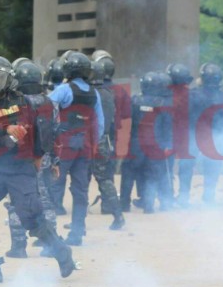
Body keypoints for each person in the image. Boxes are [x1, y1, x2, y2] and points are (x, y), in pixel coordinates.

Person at [0, 55, 75, 283]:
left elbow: (40, 130)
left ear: (8, 80)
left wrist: (39, 155)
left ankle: (62, 253)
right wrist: (5, 127)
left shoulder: (23, 103)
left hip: (21, 168)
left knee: (32, 218)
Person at [3, 60, 60, 259]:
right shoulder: (51, 103)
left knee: (15, 202)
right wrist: (55, 161)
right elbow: (55, 133)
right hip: (42, 158)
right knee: (45, 199)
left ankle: (18, 247)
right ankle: (51, 245)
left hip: (18, 161)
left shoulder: (13, 103)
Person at [49, 51, 104, 246]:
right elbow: (100, 124)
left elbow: (47, 113)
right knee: (80, 190)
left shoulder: (63, 90)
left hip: (64, 146)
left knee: (53, 187)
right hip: (85, 147)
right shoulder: (94, 92)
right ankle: (77, 233)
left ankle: (50, 236)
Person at [119, 71, 172, 214]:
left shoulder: (135, 100)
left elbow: (124, 117)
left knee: (128, 173)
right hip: (156, 144)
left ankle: (124, 204)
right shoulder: (164, 103)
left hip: (136, 143)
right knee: (152, 174)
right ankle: (148, 206)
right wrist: (167, 145)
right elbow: (168, 126)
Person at [88, 58, 125, 230]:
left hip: (87, 141)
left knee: (80, 182)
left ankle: (78, 223)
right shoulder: (108, 93)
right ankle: (117, 215)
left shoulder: (89, 93)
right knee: (105, 179)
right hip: (103, 140)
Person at [192, 63, 223, 204]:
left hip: (196, 133)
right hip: (215, 134)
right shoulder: (221, 95)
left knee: (187, 166)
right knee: (213, 167)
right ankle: (209, 195)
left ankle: (183, 196)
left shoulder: (194, 93)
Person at [166, 63, 195, 208]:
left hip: (170, 136)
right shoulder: (192, 94)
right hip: (187, 136)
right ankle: (184, 197)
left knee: (167, 167)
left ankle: (168, 197)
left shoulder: (166, 93)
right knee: (186, 168)